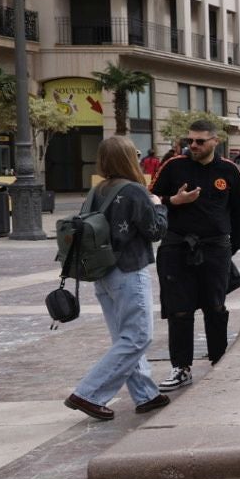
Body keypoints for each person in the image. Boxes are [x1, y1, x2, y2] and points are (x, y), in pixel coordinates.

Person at [63, 136, 171, 420]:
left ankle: (146, 394)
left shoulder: (97, 190)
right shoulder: (134, 191)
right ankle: (88, 393)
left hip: (103, 274)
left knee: (125, 336)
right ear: (128, 159)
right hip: (128, 271)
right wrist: (159, 205)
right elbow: (155, 231)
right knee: (138, 337)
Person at [152, 120, 240, 391]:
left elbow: (239, 212)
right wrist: (174, 201)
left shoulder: (229, 170)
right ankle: (181, 367)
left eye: (200, 141)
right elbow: (151, 199)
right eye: (190, 140)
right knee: (179, 310)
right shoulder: (174, 166)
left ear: (215, 141)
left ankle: (219, 359)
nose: (193, 145)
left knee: (215, 306)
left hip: (215, 249)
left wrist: (232, 247)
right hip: (176, 247)